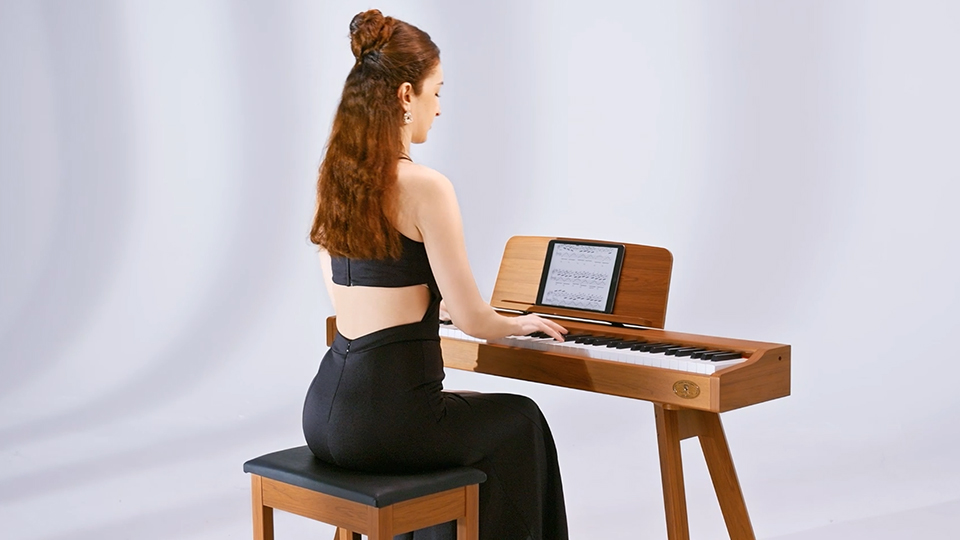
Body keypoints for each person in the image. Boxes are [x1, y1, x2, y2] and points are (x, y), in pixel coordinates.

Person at [302, 9, 569, 540]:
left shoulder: (333, 180)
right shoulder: (425, 186)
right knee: (522, 422)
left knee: (472, 427)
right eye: (437, 92)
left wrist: (428, 302)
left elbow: (345, 292)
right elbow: (476, 321)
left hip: (325, 414)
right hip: (389, 422)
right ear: (407, 95)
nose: (440, 108)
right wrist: (520, 322)